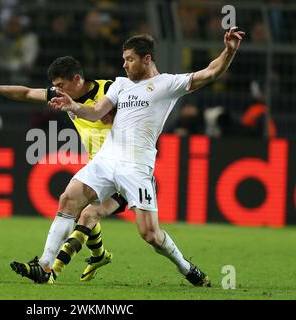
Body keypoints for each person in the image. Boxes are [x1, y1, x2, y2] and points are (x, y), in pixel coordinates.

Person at [47, 27, 245, 286]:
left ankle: (186, 268)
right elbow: (95, 112)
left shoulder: (168, 84)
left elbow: (211, 72)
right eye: (124, 59)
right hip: (106, 160)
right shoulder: (120, 84)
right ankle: (45, 266)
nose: (124, 64)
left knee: (150, 234)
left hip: (137, 166)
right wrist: (73, 106)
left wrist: (229, 51)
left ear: (147, 59)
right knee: (68, 199)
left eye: (129, 59)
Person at [0, 56, 128, 282]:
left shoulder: (110, 90)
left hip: (126, 170)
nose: (56, 90)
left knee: (93, 215)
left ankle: (51, 269)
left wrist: (116, 116)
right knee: (75, 205)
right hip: (99, 170)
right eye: (55, 86)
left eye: (60, 85)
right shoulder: (64, 96)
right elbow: (26, 93)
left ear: (77, 79)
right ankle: (61, 264)